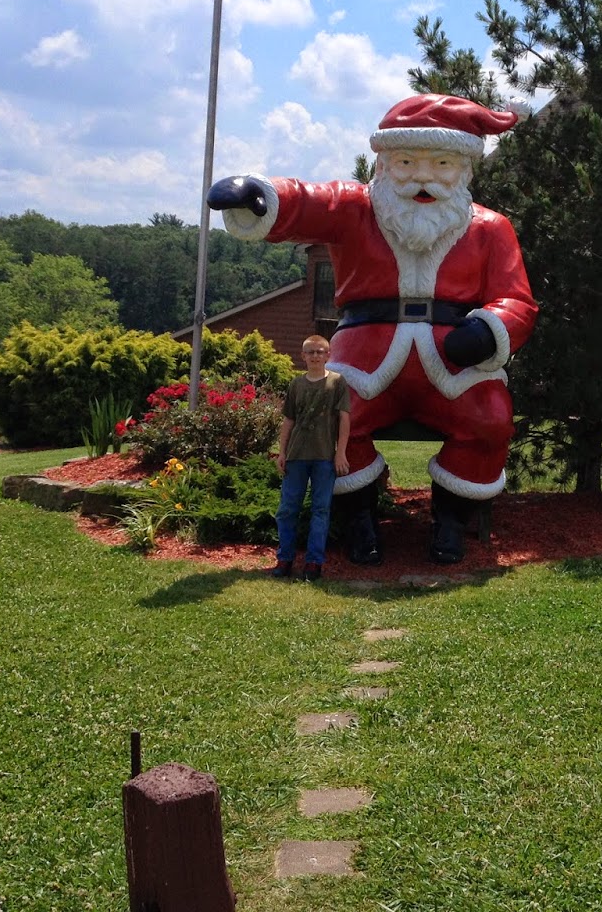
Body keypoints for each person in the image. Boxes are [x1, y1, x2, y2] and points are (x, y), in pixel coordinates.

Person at [208, 93, 538, 566]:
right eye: (406, 162)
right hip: (365, 356)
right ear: (383, 164)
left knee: (488, 419)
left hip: (453, 362)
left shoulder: (491, 229)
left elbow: (518, 300)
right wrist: (260, 196)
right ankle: (359, 520)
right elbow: (305, 201)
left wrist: (492, 329)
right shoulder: (356, 210)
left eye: (441, 163)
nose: (423, 177)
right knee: (329, 416)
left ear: (464, 168)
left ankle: (450, 522)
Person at [272, 335, 351, 581]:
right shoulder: (296, 384)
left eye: (320, 352)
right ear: (303, 356)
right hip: (296, 456)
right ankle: (285, 559)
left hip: (324, 457)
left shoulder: (337, 382)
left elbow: (344, 419)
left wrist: (340, 452)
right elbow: (288, 421)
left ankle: (314, 563)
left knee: (320, 510)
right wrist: (281, 451)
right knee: (287, 510)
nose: (315, 356)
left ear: (328, 355)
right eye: (311, 352)